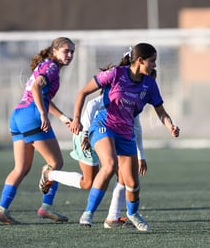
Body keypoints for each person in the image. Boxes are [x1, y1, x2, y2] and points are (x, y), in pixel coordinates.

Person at [66, 43, 179, 231]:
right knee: (109, 165)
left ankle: (133, 214)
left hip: (126, 133)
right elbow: (83, 92)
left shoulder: (149, 84)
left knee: (132, 183)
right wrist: (78, 120)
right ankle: (88, 212)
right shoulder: (116, 74)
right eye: (152, 61)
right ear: (140, 60)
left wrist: (170, 126)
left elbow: (161, 111)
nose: (154, 65)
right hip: (103, 126)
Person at [0, 37, 76, 225]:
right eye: (66, 51)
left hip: (17, 115)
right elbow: (37, 87)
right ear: (54, 51)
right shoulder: (52, 67)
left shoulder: (47, 65)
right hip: (31, 116)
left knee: (21, 168)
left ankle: (1, 210)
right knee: (56, 162)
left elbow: (42, 95)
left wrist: (62, 117)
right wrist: (42, 114)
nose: (70, 55)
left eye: (72, 51)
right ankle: (46, 207)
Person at [42, 92, 149, 228]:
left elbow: (136, 126)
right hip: (88, 135)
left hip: (111, 134)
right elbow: (90, 103)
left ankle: (112, 217)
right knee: (89, 182)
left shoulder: (135, 96)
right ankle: (50, 174)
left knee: (123, 174)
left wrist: (141, 156)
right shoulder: (118, 88)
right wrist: (85, 133)